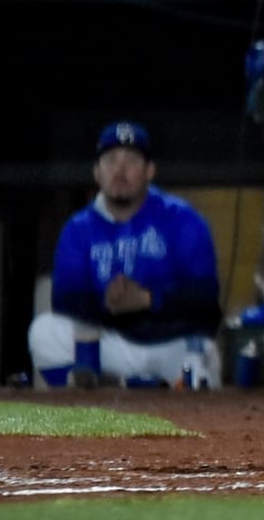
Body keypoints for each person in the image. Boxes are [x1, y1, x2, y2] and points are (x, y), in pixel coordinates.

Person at [27, 121, 223, 389]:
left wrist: (147, 299)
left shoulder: (181, 218)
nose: (119, 170)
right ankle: (88, 397)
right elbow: (65, 299)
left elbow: (205, 295)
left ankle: (147, 389)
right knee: (45, 331)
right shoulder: (78, 227)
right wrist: (107, 302)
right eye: (110, 161)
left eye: (131, 160)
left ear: (149, 171)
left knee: (199, 366)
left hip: (172, 343)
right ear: (97, 172)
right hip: (113, 344)